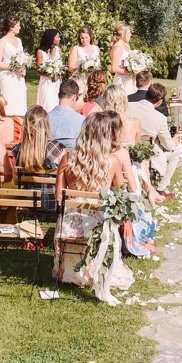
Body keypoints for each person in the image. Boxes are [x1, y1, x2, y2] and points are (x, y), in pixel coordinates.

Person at [54, 111, 135, 301]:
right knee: (108, 224)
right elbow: (117, 189)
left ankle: (70, 271)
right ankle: (97, 269)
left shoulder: (67, 159)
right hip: (97, 226)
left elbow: (59, 195)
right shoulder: (113, 161)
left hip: (69, 226)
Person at [130, 83, 182, 190]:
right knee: (176, 150)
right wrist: (174, 142)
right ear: (159, 102)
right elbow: (168, 146)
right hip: (148, 157)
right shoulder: (160, 118)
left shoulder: (128, 106)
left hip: (127, 150)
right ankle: (161, 189)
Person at [46, 79, 85, 167]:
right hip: (71, 170)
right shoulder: (82, 121)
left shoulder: (44, 119)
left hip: (46, 170)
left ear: (58, 95)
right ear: (74, 97)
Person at [0, 16, 27, 116]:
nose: (20, 28)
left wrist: (23, 68)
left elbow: (21, 57)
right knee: (9, 101)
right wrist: (13, 67)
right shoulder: (2, 42)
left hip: (19, 77)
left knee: (19, 101)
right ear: (11, 27)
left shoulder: (19, 40)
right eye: (18, 25)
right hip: (7, 77)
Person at [33, 28, 65, 112]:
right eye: (57, 37)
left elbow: (61, 67)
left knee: (56, 103)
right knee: (47, 104)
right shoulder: (40, 52)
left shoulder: (59, 50)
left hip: (57, 83)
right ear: (51, 38)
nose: (59, 39)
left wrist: (58, 73)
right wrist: (50, 73)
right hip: (46, 83)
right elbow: (38, 71)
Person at [13, 106, 52, 173]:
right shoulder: (56, 149)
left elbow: (15, 179)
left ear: (25, 126)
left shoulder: (18, 149)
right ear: (46, 126)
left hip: (25, 183)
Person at [108, 22, 134, 91]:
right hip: (122, 82)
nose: (130, 35)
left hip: (129, 80)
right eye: (129, 33)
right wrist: (130, 72)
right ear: (123, 34)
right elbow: (114, 68)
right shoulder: (117, 47)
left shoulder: (126, 45)